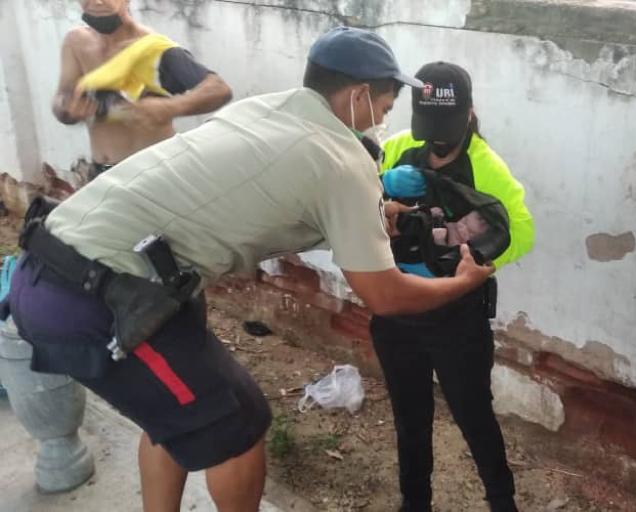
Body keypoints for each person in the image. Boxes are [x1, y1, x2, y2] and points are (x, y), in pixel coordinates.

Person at [6, 27, 495, 512]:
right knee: (235, 425)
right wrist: (460, 284)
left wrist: (372, 213)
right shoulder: (342, 160)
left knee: (176, 417)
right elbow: (385, 296)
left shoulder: (266, 108)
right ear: (359, 95)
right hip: (94, 298)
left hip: (66, 261)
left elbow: (284, 194)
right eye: (385, 109)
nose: (381, 123)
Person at [375, 62, 535, 512]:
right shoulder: (398, 148)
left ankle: (502, 502)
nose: (435, 138)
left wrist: (476, 262)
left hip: (455, 316)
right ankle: (415, 502)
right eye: (427, 124)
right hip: (397, 307)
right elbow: (359, 190)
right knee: (410, 417)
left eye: (445, 125)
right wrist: (382, 212)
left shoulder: (486, 166)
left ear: (469, 114)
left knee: (473, 415)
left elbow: (521, 230)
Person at [55, 0, 232, 179]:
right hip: (104, 172)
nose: (96, 2)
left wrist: (170, 107)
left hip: (155, 172)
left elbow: (218, 89)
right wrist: (66, 108)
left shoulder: (154, 49)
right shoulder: (76, 43)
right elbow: (62, 97)